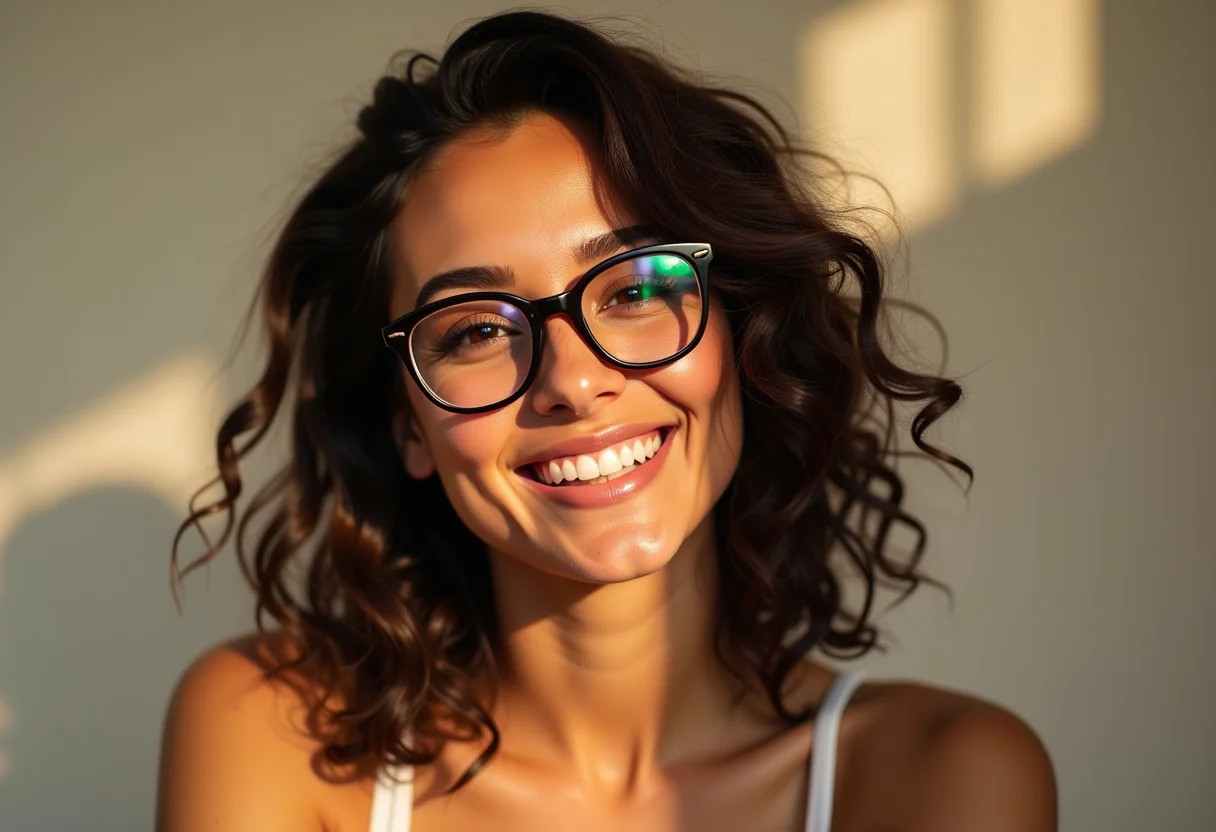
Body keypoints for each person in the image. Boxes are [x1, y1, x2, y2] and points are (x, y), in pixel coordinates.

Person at [156, 10, 1056, 831]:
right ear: (408, 425)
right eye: (474, 329)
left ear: (742, 337)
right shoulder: (276, 741)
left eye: (635, 289)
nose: (573, 381)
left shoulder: (944, 778)